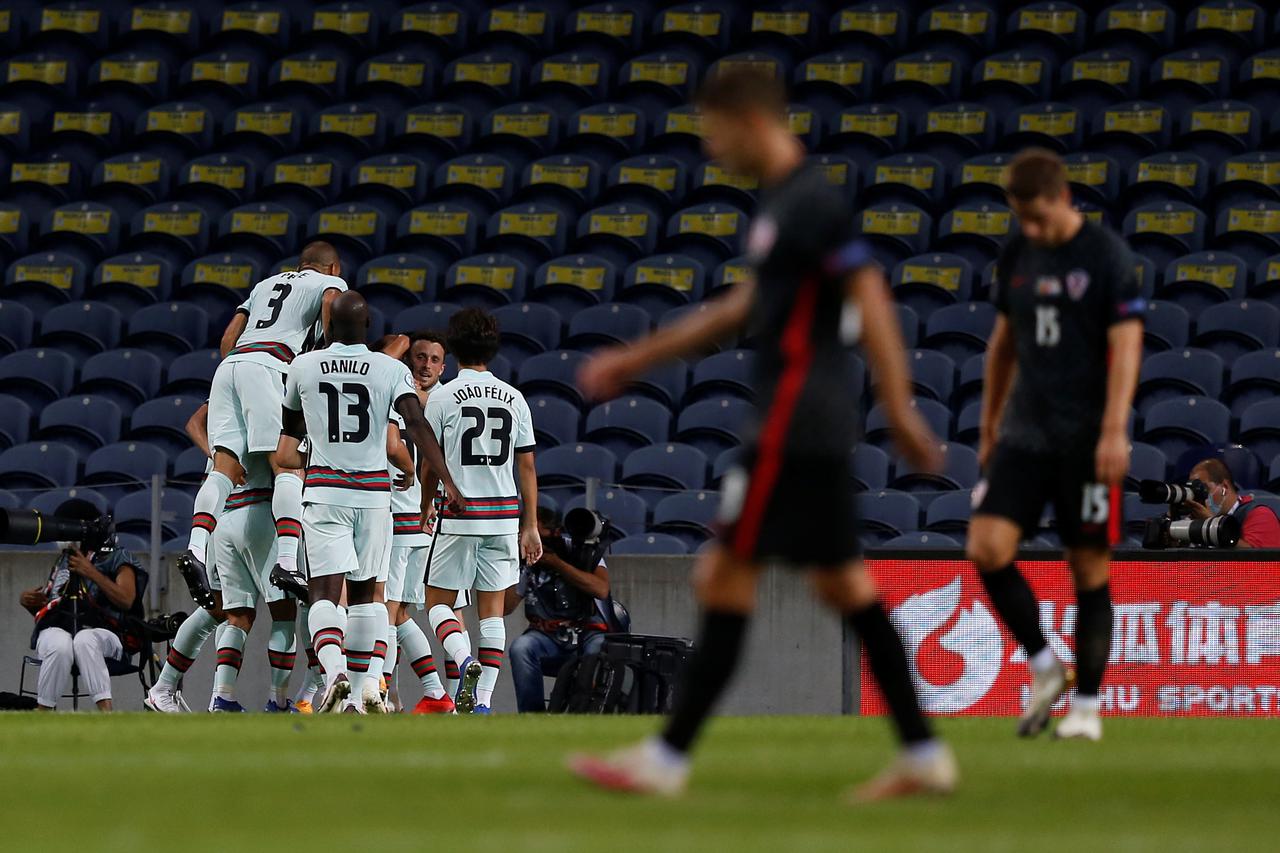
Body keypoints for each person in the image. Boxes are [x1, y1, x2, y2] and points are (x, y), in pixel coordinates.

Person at [568, 67, 956, 801]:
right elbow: (745, 307)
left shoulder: (806, 201)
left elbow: (867, 288)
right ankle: (924, 753)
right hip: (810, 417)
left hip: (796, 417)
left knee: (725, 575)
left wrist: (899, 407)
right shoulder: (786, 203)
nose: (711, 147)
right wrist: (640, 356)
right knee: (844, 585)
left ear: (746, 118)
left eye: (713, 129)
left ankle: (668, 759)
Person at [966, 148, 1145, 743]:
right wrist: (989, 427)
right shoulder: (1016, 252)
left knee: (1089, 568)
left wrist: (1116, 429)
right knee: (987, 547)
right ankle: (1046, 667)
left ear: (1064, 197)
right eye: (1022, 218)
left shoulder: (1106, 257)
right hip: (1025, 431)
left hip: (1088, 439)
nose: (1032, 230)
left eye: (1039, 217)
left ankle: (1088, 710)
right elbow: (1003, 344)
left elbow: (1127, 346)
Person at [276, 291, 463, 713]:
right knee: (366, 598)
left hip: (325, 492)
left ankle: (335, 671)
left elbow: (288, 440)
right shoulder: (388, 369)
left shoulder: (303, 366)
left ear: (329, 326)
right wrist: (446, 480)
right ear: (366, 327)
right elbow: (415, 422)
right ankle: (364, 692)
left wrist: (308, 454)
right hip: (376, 499)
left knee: (324, 595)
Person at [178, 242, 348, 610]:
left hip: (231, 366)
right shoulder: (329, 283)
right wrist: (323, 352)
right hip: (272, 365)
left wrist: (243, 368)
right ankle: (287, 561)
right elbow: (331, 303)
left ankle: (195, 548)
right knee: (287, 463)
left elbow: (226, 340)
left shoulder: (266, 284)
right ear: (332, 267)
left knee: (223, 468)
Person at [425, 308, 542, 715]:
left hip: (459, 515)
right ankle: (484, 702)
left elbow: (429, 463)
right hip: (504, 516)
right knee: (492, 613)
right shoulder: (515, 397)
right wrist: (530, 526)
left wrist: (426, 507)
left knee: (438, 604)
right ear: (493, 348)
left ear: (452, 347)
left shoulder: (441, 397)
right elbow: (526, 464)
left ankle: (463, 661)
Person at [20, 501, 142, 712]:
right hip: (62, 631)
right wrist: (30, 602)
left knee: (85, 639)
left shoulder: (118, 556)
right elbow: (54, 608)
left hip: (108, 634)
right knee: (60, 643)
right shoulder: (64, 560)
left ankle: (106, 712)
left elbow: (126, 599)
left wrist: (91, 572)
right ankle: (43, 712)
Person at [205, 453, 303, 713]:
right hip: (259, 510)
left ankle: (222, 698)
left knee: (237, 617)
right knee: (284, 612)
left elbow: (194, 424)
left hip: (224, 519)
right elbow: (282, 463)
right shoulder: (264, 415)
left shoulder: (222, 420)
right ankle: (278, 701)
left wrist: (212, 452)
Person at [505, 507, 610, 713]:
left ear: (553, 531)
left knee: (597, 649)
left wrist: (557, 564)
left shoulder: (582, 549)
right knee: (521, 647)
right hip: (546, 636)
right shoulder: (527, 559)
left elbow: (601, 589)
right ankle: (532, 717)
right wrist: (515, 567)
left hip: (587, 633)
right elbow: (505, 608)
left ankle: (587, 711)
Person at [1186, 458, 1280, 548]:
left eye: (1205, 489)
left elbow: (1255, 559)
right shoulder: (1194, 520)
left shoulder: (1260, 515)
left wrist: (1211, 524)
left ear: (1224, 487)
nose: (1199, 497)